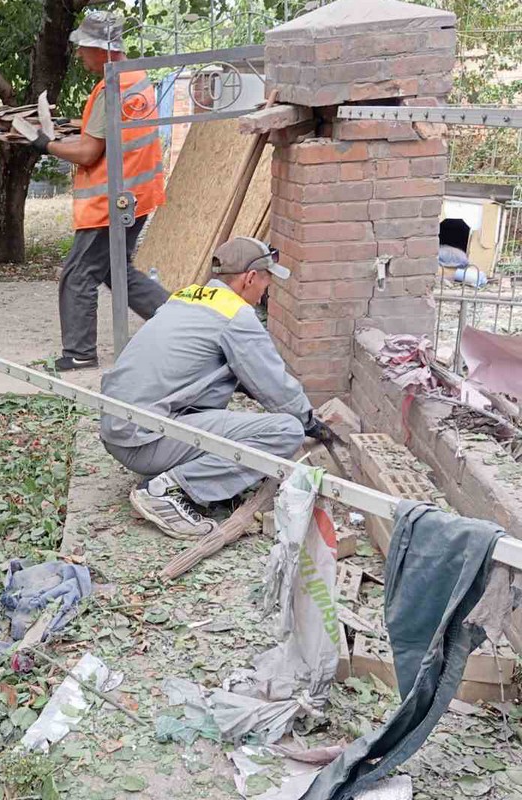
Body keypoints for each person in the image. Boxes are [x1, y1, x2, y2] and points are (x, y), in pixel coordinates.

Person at [99, 237, 334, 539]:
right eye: (266, 280)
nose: (267, 289)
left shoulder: (187, 298)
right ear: (250, 278)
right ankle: (166, 491)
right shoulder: (236, 315)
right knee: (286, 431)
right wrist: (308, 422)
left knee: (221, 403)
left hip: (119, 430)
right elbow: (276, 388)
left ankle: (174, 476)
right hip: (144, 441)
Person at [26, 10, 168, 372]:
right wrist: (70, 129)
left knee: (78, 274)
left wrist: (45, 144)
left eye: (82, 48)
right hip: (138, 194)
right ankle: (178, 323)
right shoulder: (135, 77)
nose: (78, 55)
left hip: (113, 201)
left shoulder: (111, 87)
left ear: (101, 48)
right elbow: (110, 134)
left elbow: (89, 152)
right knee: (115, 271)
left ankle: (79, 353)